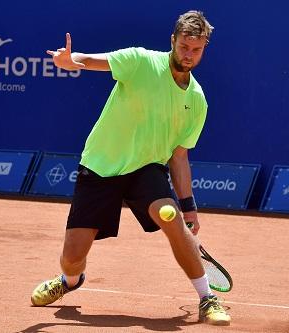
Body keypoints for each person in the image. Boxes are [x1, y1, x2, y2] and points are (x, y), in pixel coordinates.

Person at [31, 10, 230, 326]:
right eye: (184, 47)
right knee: (72, 256)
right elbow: (93, 61)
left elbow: (178, 158)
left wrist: (189, 207)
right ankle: (69, 280)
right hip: (100, 166)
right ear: (173, 41)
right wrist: (72, 61)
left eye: (196, 49)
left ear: (204, 48)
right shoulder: (140, 61)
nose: (189, 55)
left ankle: (207, 299)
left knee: (171, 219)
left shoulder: (197, 100)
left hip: (146, 169)